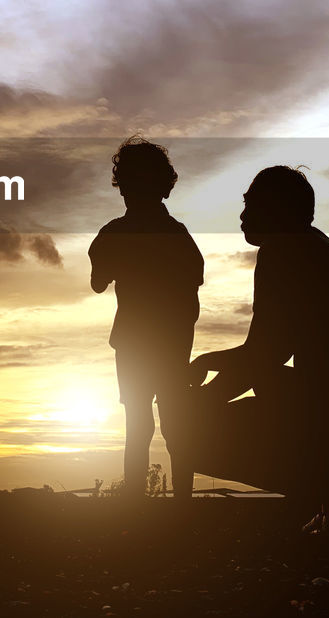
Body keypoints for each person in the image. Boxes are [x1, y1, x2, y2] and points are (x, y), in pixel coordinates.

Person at [185, 165, 329, 527]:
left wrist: (199, 406)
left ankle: (328, 490)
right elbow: (264, 353)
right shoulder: (309, 248)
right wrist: (210, 364)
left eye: (252, 205)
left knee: (197, 436)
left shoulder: (285, 254)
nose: (243, 215)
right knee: (269, 386)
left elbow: (263, 355)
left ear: (279, 210)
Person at [89, 136, 204, 499]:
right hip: (167, 341)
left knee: (140, 425)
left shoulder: (113, 233)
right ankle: (178, 502)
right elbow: (193, 286)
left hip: (138, 342)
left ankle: (137, 504)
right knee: (173, 425)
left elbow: (97, 283)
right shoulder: (177, 234)